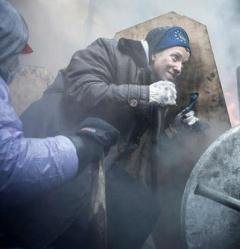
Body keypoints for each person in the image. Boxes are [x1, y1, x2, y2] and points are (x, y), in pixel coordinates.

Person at [17, 22, 200, 248]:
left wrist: (174, 130)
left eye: (183, 62)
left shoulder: (156, 86)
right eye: (176, 57)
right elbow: (81, 90)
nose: (179, 67)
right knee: (36, 224)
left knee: (143, 207)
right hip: (53, 138)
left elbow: (143, 150)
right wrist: (144, 94)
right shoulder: (110, 50)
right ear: (154, 52)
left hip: (97, 161)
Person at [0, 0, 119, 208]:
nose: (17, 65)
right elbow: (8, 164)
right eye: (14, 56)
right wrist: (79, 147)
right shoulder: (50, 108)